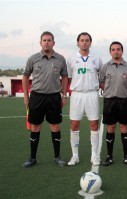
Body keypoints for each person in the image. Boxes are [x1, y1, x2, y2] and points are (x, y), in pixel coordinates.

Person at [22, 31, 68, 168]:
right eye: (44, 40)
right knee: (35, 126)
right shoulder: (33, 58)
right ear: (40, 43)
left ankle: (57, 156)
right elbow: (25, 76)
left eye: (49, 40)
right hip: (37, 96)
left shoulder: (60, 59)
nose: (46, 42)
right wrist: (26, 96)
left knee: (55, 126)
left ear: (54, 43)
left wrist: (64, 95)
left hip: (54, 97)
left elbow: (65, 77)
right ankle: (32, 158)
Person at [66, 32, 103, 166]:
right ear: (78, 42)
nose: (84, 42)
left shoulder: (97, 59)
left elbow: (101, 76)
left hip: (92, 93)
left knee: (94, 125)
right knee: (74, 125)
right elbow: (69, 77)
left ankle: (94, 155)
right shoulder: (71, 59)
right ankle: (75, 155)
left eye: (87, 40)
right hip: (77, 94)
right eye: (82, 40)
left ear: (90, 43)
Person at [99, 41, 127, 166]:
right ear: (110, 52)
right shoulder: (105, 67)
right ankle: (109, 156)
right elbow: (102, 83)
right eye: (113, 49)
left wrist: (123, 91)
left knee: (124, 127)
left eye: (118, 49)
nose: (116, 51)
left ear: (122, 51)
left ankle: (126, 156)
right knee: (111, 127)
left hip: (124, 100)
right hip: (109, 100)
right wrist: (110, 91)